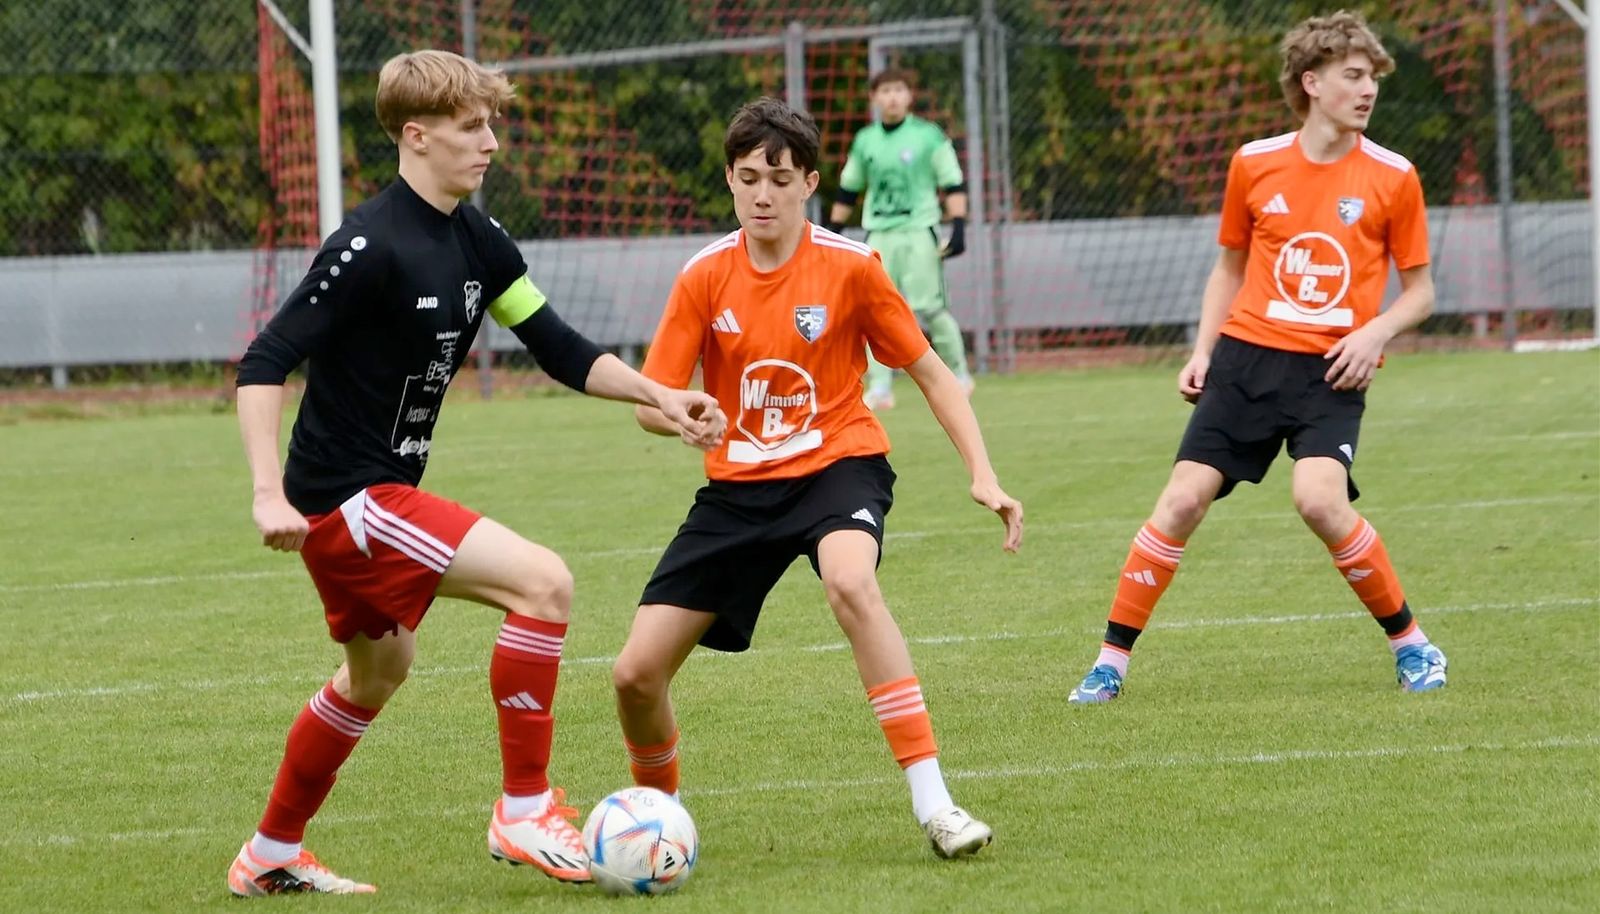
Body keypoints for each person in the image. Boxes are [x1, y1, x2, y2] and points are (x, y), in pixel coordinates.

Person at [226, 49, 723, 896]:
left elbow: (557, 345)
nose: (489, 142)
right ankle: (524, 810)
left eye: (491, 124)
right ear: (416, 137)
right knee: (545, 584)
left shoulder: (477, 236)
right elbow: (265, 360)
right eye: (470, 127)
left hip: (379, 496)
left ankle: (270, 853)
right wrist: (267, 492)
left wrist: (659, 394)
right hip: (347, 498)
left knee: (376, 675)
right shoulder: (367, 245)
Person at [611, 97, 1024, 860]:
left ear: (809, 181)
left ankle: (937, 806)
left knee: (851, 583)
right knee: (635, 676)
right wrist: (683, 415)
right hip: (738, 490)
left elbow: (930, 373)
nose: (761, 194)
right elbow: (652, 400)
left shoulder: (852, 267)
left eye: (777, 177)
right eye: (745, 178)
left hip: (839, 463)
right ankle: (657, 824)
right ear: (729, 183)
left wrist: (983, 474)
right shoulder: (703, 276)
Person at [1066, 11, 1447, 704]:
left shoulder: (1395, 176)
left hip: (1330, 369)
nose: (1369, 92)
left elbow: (1421, 293)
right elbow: (1227, 270)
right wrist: (1202, 349)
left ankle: (1413, 645)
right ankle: (1109, 664)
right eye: (1354, 77)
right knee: (1181, 500)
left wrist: (1374, 333)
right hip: (1245, 360)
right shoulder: (1254, 162)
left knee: (1319, 501)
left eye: (1373, 80)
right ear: (1313, 82)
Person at [825, 68, 973, 411]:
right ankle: (880, 387)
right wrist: (833, 233)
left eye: (898, 90)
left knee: (930, 308)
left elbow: (952, 182)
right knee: (873, 313)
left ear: (909, 96)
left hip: (920, 231)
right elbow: (849, 189)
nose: (892, 97)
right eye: (885, 91)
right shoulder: (865, 141)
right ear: (874, 98)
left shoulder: (929, 137)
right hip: (879, 234)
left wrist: (960, 226)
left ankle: (960, 374)